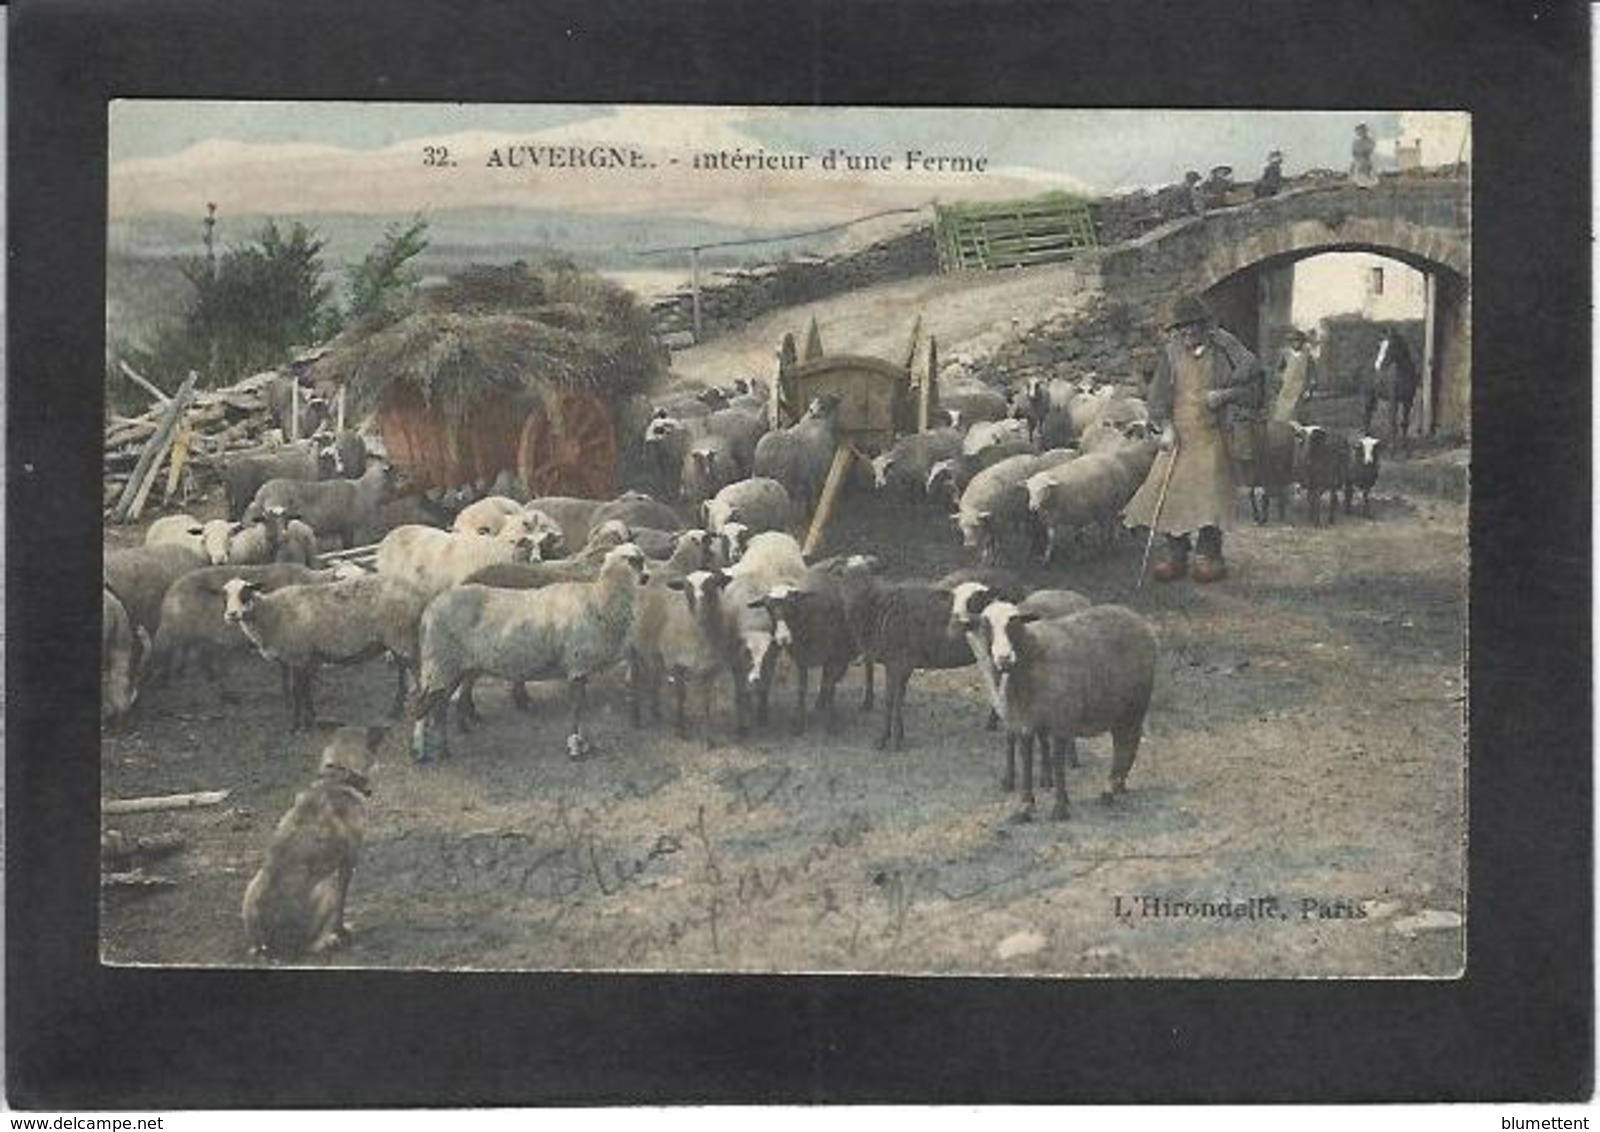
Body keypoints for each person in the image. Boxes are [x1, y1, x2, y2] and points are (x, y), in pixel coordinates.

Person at [1123, 295, 1264, 583]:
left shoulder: (1226, 349)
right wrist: (1165, 427)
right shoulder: (1171, 354)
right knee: (1171, 494)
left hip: (1212, 436)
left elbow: (1254, 386)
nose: (1187, 332)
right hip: (1178, 437)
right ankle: (1176, 554)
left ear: (1205, 325)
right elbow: (1159, 396)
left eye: (1192, 326)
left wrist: (1224, 395)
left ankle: (1208, 556)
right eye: (1181, 327)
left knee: (1210, 498)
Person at [1269, 328, 1318, 422]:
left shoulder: (1307, 356)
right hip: (1286, 387)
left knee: (1298, 414)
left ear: (1302, 342)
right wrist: (1279, 380)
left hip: (1300, 388)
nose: (1296, 343)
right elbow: (1278, 369)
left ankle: (1298, 430)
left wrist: (1309, 389)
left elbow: (1312, 374)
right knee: (1283, 414)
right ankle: (1283, 429)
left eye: (1298, 341)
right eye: (1293, 341)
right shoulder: (1285, 354)